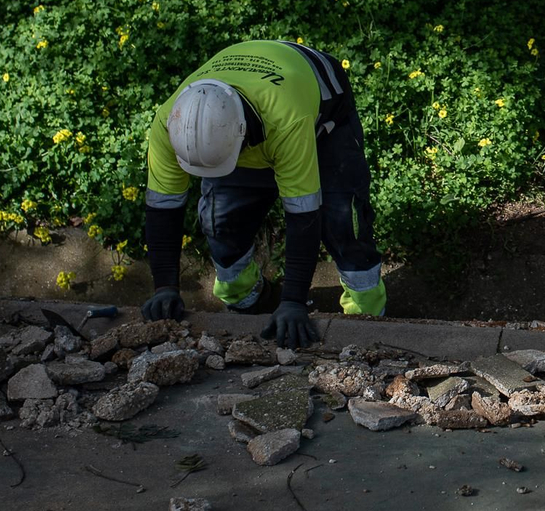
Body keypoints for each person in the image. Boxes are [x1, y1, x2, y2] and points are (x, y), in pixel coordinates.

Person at [137, 40, 384, 348]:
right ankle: (251, 302)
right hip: (245, 114)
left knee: (342, 220)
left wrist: (294, 300)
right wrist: (165, 287)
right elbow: (163, 210)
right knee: (220, 220)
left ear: (241, 136)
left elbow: (304, 214)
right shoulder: (171, 122)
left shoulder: (287, 120)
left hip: (320, 112)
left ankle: (367, 320)